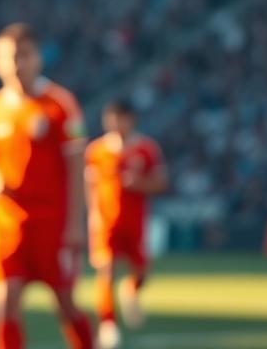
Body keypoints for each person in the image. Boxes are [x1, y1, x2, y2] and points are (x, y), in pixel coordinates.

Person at [0, 23, 93, 349]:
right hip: (7, 224)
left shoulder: (60, 104)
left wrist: (74, 225)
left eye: (23, 55)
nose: (16, 64)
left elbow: (76, 167)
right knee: (6, 302)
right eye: (8, 56)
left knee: (65, 303)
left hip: (51, 224)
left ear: (37, 58)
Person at [86, 99, 167, 349]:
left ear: (130, 120)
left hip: (135, 222)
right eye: (110, 118)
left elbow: (161, 183)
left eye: (119, 118)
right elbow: (88, 186)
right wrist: (92, 214)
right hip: (105, 223)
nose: (114, 124)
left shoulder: (146, 149)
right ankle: (108, 325)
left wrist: (139, 184)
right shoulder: (96, 151)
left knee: (142, 272)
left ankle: (131, 290)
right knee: (106, 272)